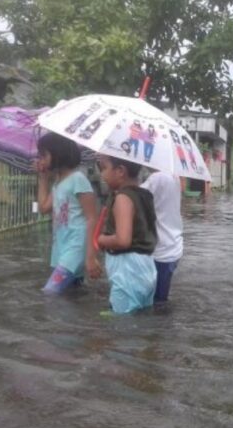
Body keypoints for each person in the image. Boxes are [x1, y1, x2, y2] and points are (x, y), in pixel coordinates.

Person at [35, 133, 101, 294]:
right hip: (62, 247)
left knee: (50, 293)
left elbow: (92, 217)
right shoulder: (58, 183)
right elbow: (43, 208)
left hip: (76, 247)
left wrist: (90, 256)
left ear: (57, 154)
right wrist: (43, 178)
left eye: (43, 155)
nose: (40, 160)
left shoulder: (78, 179)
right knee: (71, 295)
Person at [96, 155, 158, 314]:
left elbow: (123, 240)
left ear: (120, 171)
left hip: (127, 270)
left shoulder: (123, 198)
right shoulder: (145, 195)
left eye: (103, 168)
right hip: (147, 266)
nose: (101, 174)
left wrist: (102, 240)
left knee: (122, 324)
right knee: (142, 317)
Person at [141, 170, 183, 304]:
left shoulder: (157, 178)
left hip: (162, 249)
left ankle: (160, 323)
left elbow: (136, 196)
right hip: (173, 245)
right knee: (160, 298)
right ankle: (163, 323)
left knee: (155, 300)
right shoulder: (174, 176)